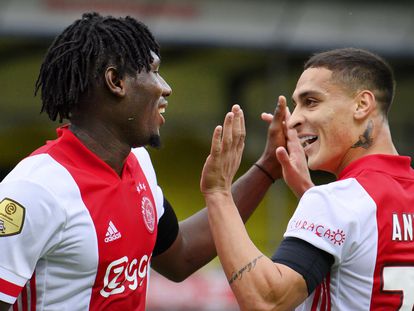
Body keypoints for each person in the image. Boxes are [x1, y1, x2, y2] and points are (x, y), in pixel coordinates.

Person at [0, 12, 289, 311]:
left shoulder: (139, 163)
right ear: (116, 81)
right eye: (152, 71)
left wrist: (267, 167)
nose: (165, 88)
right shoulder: (35, 190)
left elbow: (182, 256)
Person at [201, 47, 414, 310]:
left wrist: (219, 193)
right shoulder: (358, 202)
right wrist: (308, 192)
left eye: (311, 102)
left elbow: (267, 301)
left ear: (361, 105)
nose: (294, 120)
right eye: (295, 105)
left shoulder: (336, 202)